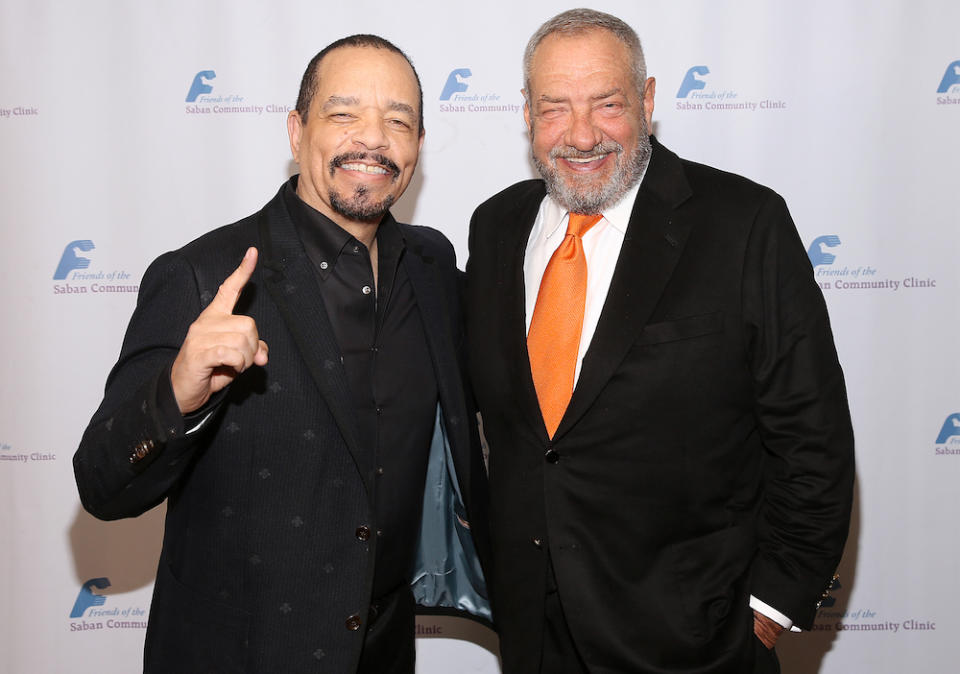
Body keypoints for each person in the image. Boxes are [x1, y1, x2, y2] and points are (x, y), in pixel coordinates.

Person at [74, 34, 490, 674]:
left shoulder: (432, 267)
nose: (373, 139)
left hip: (382, 651)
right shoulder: (201, 275)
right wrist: (177, 390)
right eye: (344, 114)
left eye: (398, 120)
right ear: (297, 132)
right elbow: (101, 483)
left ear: (418, 146)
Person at [465, 9, 854, 673]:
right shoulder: (496, 227)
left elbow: (811, 438)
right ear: (527, 113)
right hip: (533, 633)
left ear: (646, 101)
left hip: (695, 639)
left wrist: (768, 610)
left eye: (607, 103)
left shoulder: (743, 224)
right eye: (556, 106)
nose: (582, 133)